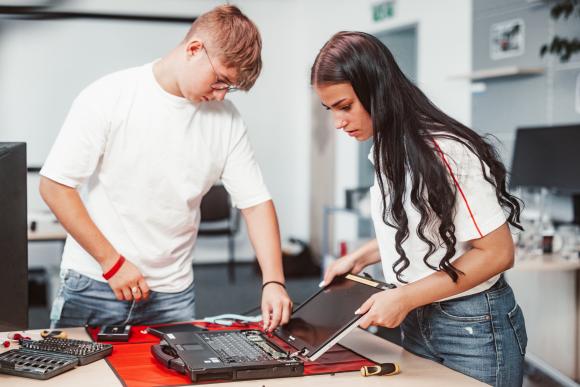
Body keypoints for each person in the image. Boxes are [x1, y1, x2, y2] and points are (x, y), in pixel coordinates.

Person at [39, 5, 292, 332]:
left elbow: (255, 204)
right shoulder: (110, 95)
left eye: (229, 89)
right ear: (194, 49)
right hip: (95, 283)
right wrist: (112, 263)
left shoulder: (226, 120)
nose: (220, 95)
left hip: (172, 294)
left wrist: (274, 281)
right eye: (219, 81)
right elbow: (54, 186)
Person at [312, 31, 527, 386]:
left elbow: (498, 253)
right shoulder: (386, 149)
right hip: (420, 316)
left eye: (345, 106)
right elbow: (420, 226)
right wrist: (363, 257)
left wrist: (404, 297)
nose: (338, 122)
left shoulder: (445, 150)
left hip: (471, 325)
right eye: (330, 109)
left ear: (377, 91)